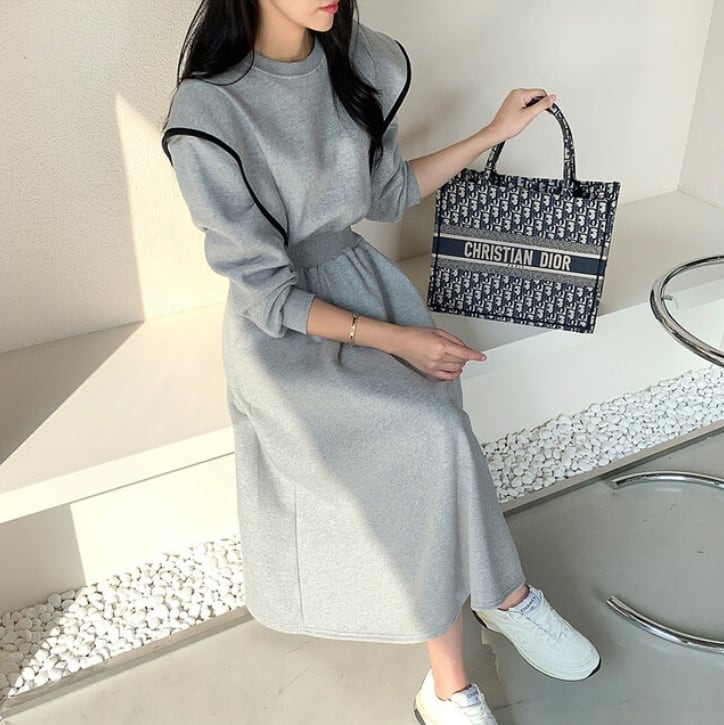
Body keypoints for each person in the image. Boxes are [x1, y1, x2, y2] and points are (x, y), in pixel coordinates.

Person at [161, 1, 600, 723]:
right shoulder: (208, 111)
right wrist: (399, 340)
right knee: (431, 432)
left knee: (436, 435)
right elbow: (266, 292)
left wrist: (492, 134)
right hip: (285, 332)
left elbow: (389, 191)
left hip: (363, 286)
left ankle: (486, 623)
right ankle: (478, 638)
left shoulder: (361, 60)